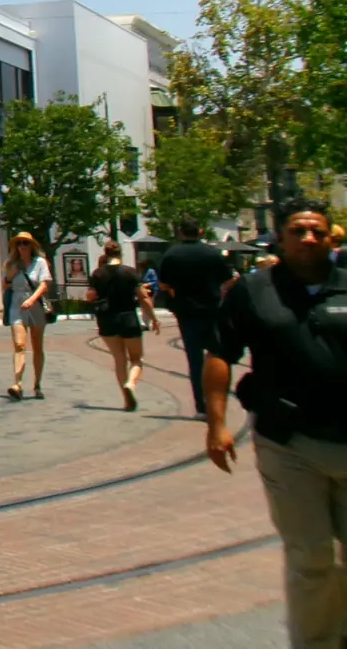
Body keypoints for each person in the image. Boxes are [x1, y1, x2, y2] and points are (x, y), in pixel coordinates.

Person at [205, 200, 347, 649]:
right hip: (289, 443)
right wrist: (216, 425)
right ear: (280, 238)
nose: (309, 238)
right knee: (311, 557)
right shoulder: (253, 291)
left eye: (317, 231)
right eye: (299, 231)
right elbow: (219, 356)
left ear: (331, 238)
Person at [157, 217, 237, 416]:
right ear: (200, 231)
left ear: (180, 232)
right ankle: (219, 400)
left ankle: (202, 407)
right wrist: (221, 293)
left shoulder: (172, 254)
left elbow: (163, 284)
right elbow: (231, 278)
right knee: (218, 357)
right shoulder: (212, 253)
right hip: (212, 311)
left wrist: (176, 292)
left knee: (195, 361)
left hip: (186, 312)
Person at [85, 239, 159, 411]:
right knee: (136, 359)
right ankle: (131, 384)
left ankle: (126, 400)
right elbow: (143, 298)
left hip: (106, 318)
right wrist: (153, 318)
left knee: (119, 359)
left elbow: (90, 296)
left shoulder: (98, 274)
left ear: (105, 253)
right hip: (128, 317)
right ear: (120, 254)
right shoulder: (130, 272)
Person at [3, 232, 52, 401]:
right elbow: (5, 284)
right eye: (19, 244)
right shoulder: (11, 264)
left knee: (37, 346)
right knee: (19, 344)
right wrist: (12, 272)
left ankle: (37, 385)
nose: (22, 246)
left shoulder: (40, 263)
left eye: (25, 243)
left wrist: (31, 300)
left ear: (32, 246)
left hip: (36, 305)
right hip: (17, 305)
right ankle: (18, 384)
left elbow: (44, 285)